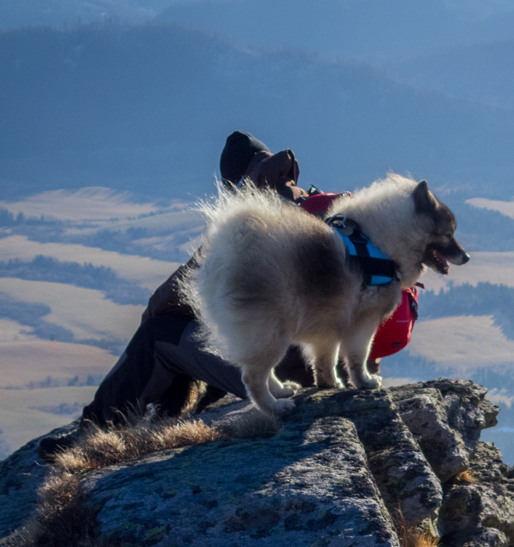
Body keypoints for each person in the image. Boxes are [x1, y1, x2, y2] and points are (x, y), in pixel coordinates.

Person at [37, 132, 419, 459]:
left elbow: (167, 297)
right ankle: (183, 410)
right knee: (233, 318)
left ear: (237, 184)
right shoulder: (329, 207)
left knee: (162, 334)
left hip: (289, 367)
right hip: (343, 365)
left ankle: (94, 431)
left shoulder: (253, 225)